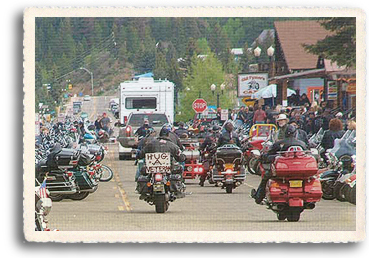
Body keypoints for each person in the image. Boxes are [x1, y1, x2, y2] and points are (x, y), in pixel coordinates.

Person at [251, 125, 307, 204]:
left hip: (283, 171)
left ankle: (258, 197)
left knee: (265, 177)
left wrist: (263, 157)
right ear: (295, 133)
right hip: (300, 171)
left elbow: (268, 156)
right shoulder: (302, 144)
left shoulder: (279, 143)